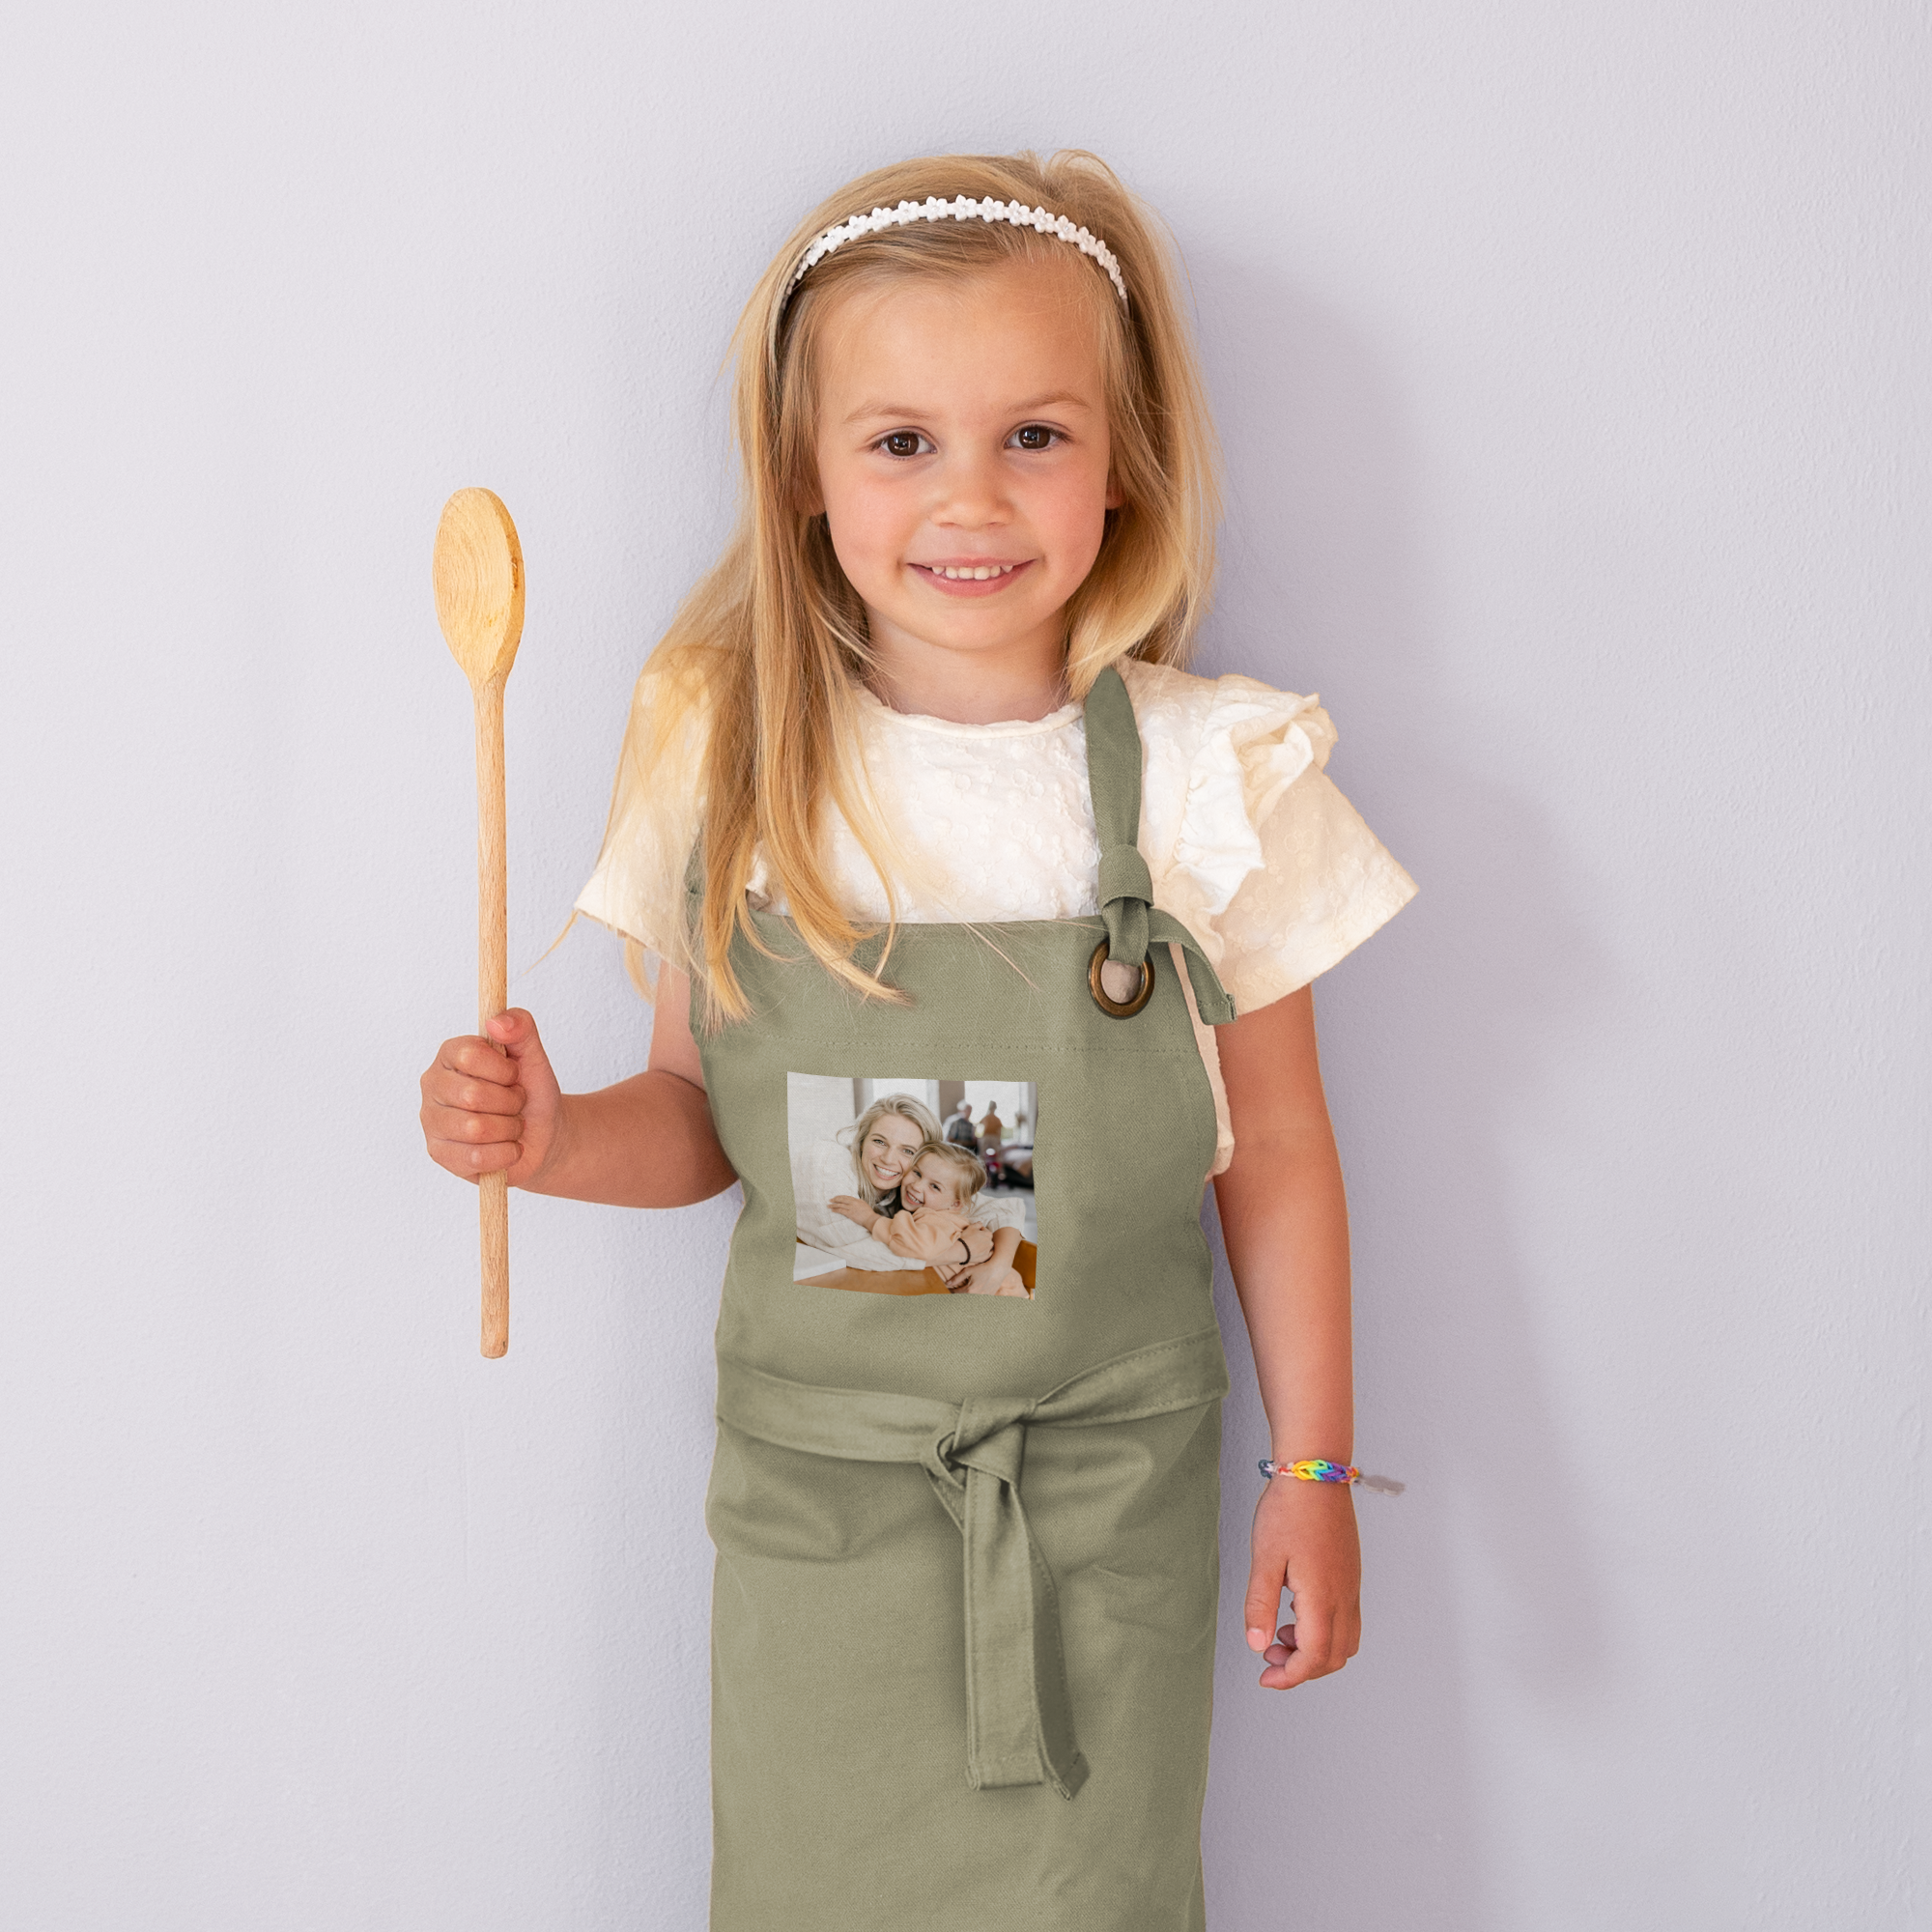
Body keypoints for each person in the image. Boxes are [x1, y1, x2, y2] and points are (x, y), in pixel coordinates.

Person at [418, 149, 1414, 1928]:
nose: (973, 496)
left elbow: (1274, 1153)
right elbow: (689, 1117)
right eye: (901, 442)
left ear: (1125, 466)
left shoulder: (1214, 779)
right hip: (825, 1529)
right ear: (807, 474)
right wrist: (552, 1141)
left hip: (1100, 1522)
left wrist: (1315, 1471)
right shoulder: (730, 755)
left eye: (1034, 433)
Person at [830, 1142, 1025, 1295]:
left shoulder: (936, 1219)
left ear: (956, 1204)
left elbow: (913, 1245)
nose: (917, 1186)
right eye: (917, 1173)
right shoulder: (936, 1210)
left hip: (1001, 1296)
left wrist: (869, 1219)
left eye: (935, 1187)